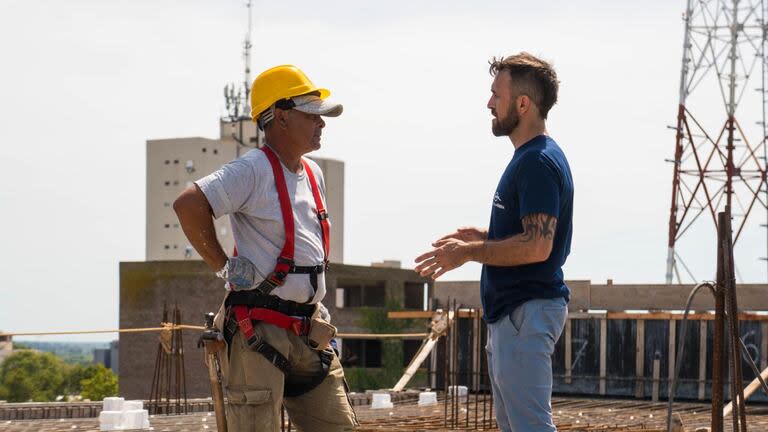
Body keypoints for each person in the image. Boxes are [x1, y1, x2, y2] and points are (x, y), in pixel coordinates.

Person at [174, 64, 357, 432]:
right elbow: (189, 204)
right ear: (282, 117)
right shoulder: (253, 169)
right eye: (313, 115)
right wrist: (224, 267)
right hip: (259, 327)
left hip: (307, 327)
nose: (322, 124)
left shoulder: (313, 173)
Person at [414, 52, 573, 432]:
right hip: (517, 316)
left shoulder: (536, 162)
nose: (489, 103)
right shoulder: (530, 158)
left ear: (522, 103)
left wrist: (469, 253)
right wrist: (485, 237)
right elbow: (532, 235)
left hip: (525, 313)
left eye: (496, 95)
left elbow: (538, 246)